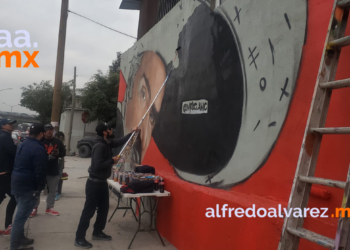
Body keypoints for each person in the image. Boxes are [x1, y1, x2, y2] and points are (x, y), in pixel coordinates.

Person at [74, 124, 136, 249]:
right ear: (105, 132)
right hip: (94, 184)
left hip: (101, 183)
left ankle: (98, 232)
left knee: (103, 209)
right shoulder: (100, 146)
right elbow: (97, 165)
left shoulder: (106, 142)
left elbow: (119, 142)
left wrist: (132, 133)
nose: (112, 130)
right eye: (109, 129)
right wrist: (112, 161)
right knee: (88, 211)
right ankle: (79, 238)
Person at [10, 123, 47, 250]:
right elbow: (40, 171)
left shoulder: (23, 144)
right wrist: (40, 188)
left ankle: (20, 239)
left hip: (17, 182)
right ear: (41, 134)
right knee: (21, 217)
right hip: (27, 186)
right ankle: (14, 246)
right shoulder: (38, 148)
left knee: (21, 214)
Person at [30, 124, 66, 217]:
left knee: (52, 191)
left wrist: (58, 153)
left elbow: (63, 153)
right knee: (37, 190)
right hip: (40, 170)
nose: (49, 131)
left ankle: (49, 207)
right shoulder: (39, 141)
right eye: (47, 130)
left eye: (50, 129)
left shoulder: (57, 141)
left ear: (53, 130)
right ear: (44, 131)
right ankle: (34, 208)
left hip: (53, 169)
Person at [0, 119, 17, 236]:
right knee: (15, 197)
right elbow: (14, 152)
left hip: (3, 173)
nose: (11, 125)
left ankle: (8, 225)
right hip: (5, 175)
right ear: (3, 126)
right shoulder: (5, 137)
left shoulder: (3, 136)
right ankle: (8, 226)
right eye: (9, 123)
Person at [55, 131, 66, 201]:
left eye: (61, 138)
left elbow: (63, 153)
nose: (60, 139)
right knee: (55, 178)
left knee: (59, 177)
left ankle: (57, 192)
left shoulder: (62, 144)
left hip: (61, 162)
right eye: (59, 138)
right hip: (55, 162)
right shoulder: (54, 143)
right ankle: (55, 192)